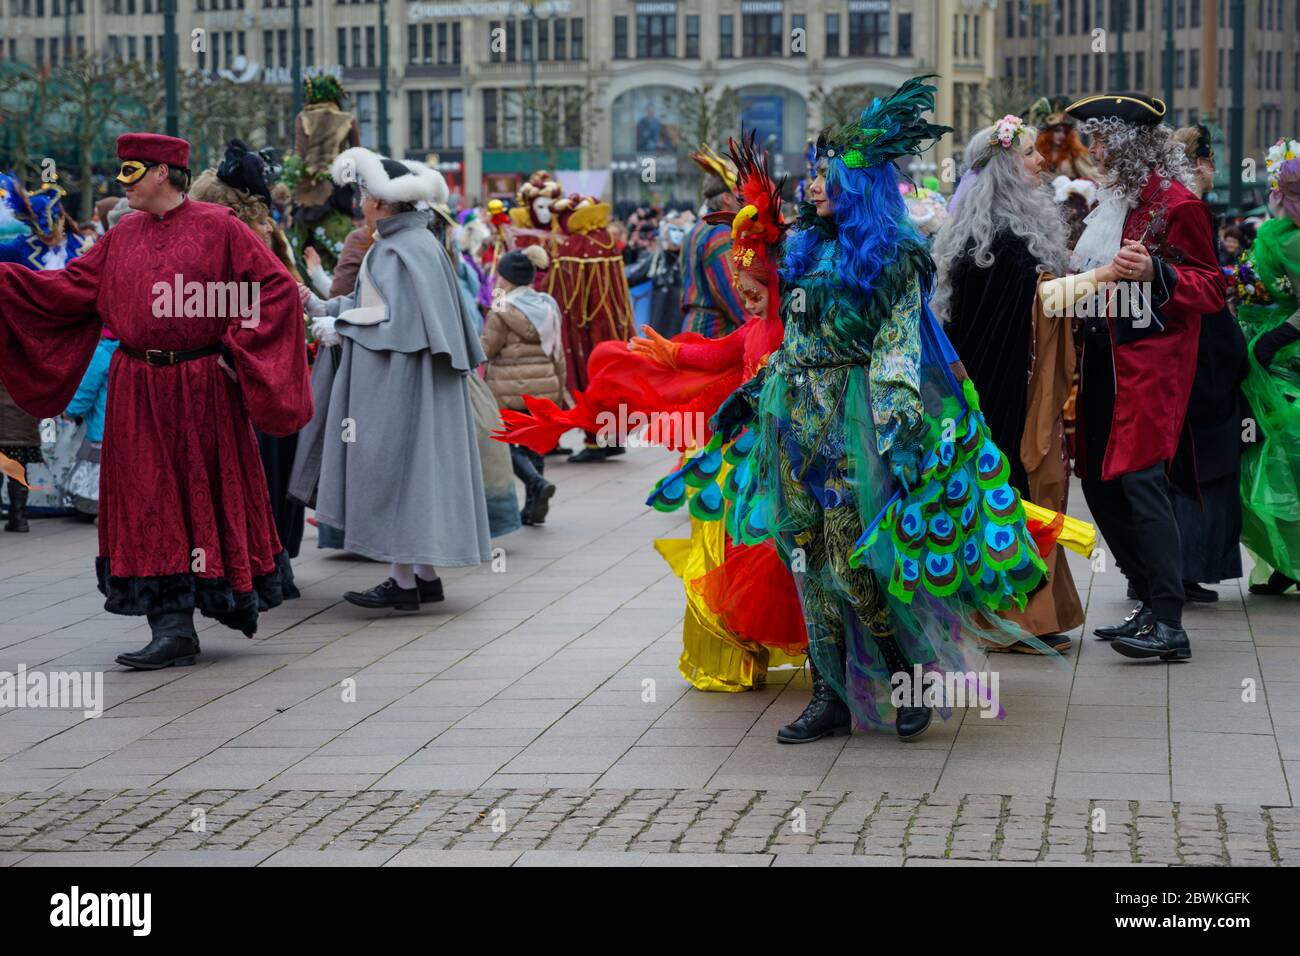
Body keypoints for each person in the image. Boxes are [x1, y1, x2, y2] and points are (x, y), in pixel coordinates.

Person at [696, 79, 1055, 742]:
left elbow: (896, 346)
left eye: (825, 177)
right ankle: (828, 694)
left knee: (850, 566)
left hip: (851, 426)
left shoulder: (891, 258)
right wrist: (748, 397)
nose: (813, 187)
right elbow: (796, 344)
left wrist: (896, 420)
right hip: (792, 419)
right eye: (812, 176)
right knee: (802, 560)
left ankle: (900, 676)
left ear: (858, 187)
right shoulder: (807, 251)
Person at [0, 132, 312, 668]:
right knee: (147, 500)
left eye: (129, 172)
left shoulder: (222, 228)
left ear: (163, 173)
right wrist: (6, 282)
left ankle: (222, 595)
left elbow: (275, 289)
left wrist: (235, 352)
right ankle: (170, 625)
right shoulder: (121, 235)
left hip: (202, 387)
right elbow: (70, 288)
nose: (120, 184)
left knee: (205, 492)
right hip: (136, 387)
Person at [1046, 93, 1225, 662]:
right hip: (1104, 359)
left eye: (1101, 140)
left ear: (1132, 144)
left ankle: (1169, 622)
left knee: (1142, 481)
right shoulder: (1112, 203)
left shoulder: (1177, 204)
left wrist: (1158, 270)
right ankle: (1149, 596)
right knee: (1097, 480)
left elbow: (1212, 289)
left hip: (1150, 365)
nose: (1092, 151)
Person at [290, 146, 491, 611]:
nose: (359, 202)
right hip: (417, 381)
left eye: (363, 194)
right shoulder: (417, 243)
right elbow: (381, 309)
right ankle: (424, 576)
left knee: (395, 471)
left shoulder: (395, 249)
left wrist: (338, 325)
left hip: (399, 382)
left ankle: (402, 583)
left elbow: (394, 323)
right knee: (416, 473)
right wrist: (325, 308)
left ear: (381, 201)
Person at [932, 117, 1084, 649]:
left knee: (1005, 495)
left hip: (989, 390)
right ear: (1003, 168)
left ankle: (1022, 616)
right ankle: (1017, 620)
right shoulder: (1002, 242)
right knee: (1010, 495)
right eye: (1027, 154)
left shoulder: (985, 236)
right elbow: (1038, 304)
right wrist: (1097, 280)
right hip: (998, 393)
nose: (1040, 161)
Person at [191, 138, 311, 590]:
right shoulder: (252, 238)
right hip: (260, 367)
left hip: (256, 368)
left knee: (262, 467)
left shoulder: (247, 240)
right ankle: (269, 560)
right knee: (265, 467)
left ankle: (268, 559)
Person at [1167, 125, 1249, 603]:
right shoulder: (1190, 208)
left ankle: (1182, 568)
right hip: (1202, 360)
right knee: (1199, 466)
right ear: (1198, 164)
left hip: (1202, 357)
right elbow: (1202, 290)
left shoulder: (1179, 206)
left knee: (1191, 464)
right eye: (1211, 160)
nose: (1216, 170)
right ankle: (1186, 566)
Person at [1233, 148, 1300, 595]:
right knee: (1264, 458)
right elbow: (1259, 284)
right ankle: (1283, 558)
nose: (1276, 192)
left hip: (1287, 362)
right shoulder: (1276, 232)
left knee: (1288, 456)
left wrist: (1277, 337)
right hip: (1266, 363)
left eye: (1287, 186)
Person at [481, 246, 565, 526]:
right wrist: (559, 390)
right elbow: (559, 353)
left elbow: (487, 349)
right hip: (544, 388)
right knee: (534, 444)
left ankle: (535, 483)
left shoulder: (501, 308)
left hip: (509, 389)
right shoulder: (547, 304)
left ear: (505, 278)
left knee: (505, 444)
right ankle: (532, 507)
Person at [681, 146, 746, 337]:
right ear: (727, 198)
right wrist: (757, 327)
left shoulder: (698, 228)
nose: (743, 202)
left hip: (695, 328)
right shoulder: (720, 233)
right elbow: (733, 294)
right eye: (739, 196)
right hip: (713, 334)